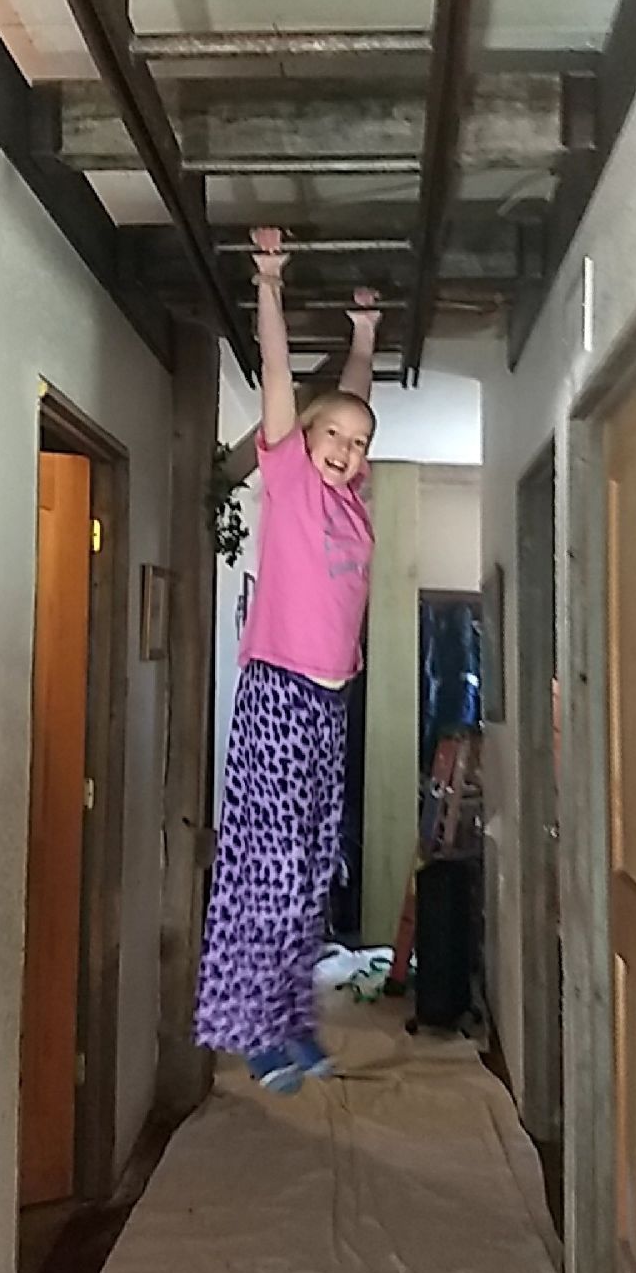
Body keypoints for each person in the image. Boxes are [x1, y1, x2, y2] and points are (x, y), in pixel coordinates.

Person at [194, 227, 380, 1093]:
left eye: (358, 444)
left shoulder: (352, 505)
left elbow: (353, 401)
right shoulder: (295, 481)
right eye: (333, 436)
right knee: (263, 870)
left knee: (307, 873)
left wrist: (366, 335)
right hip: (277, 695)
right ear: (303, 438)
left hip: (328, 707)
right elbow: (285, 384)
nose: (346, 450)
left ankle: (292, 1020)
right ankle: (253, 1032)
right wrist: (268, 284)